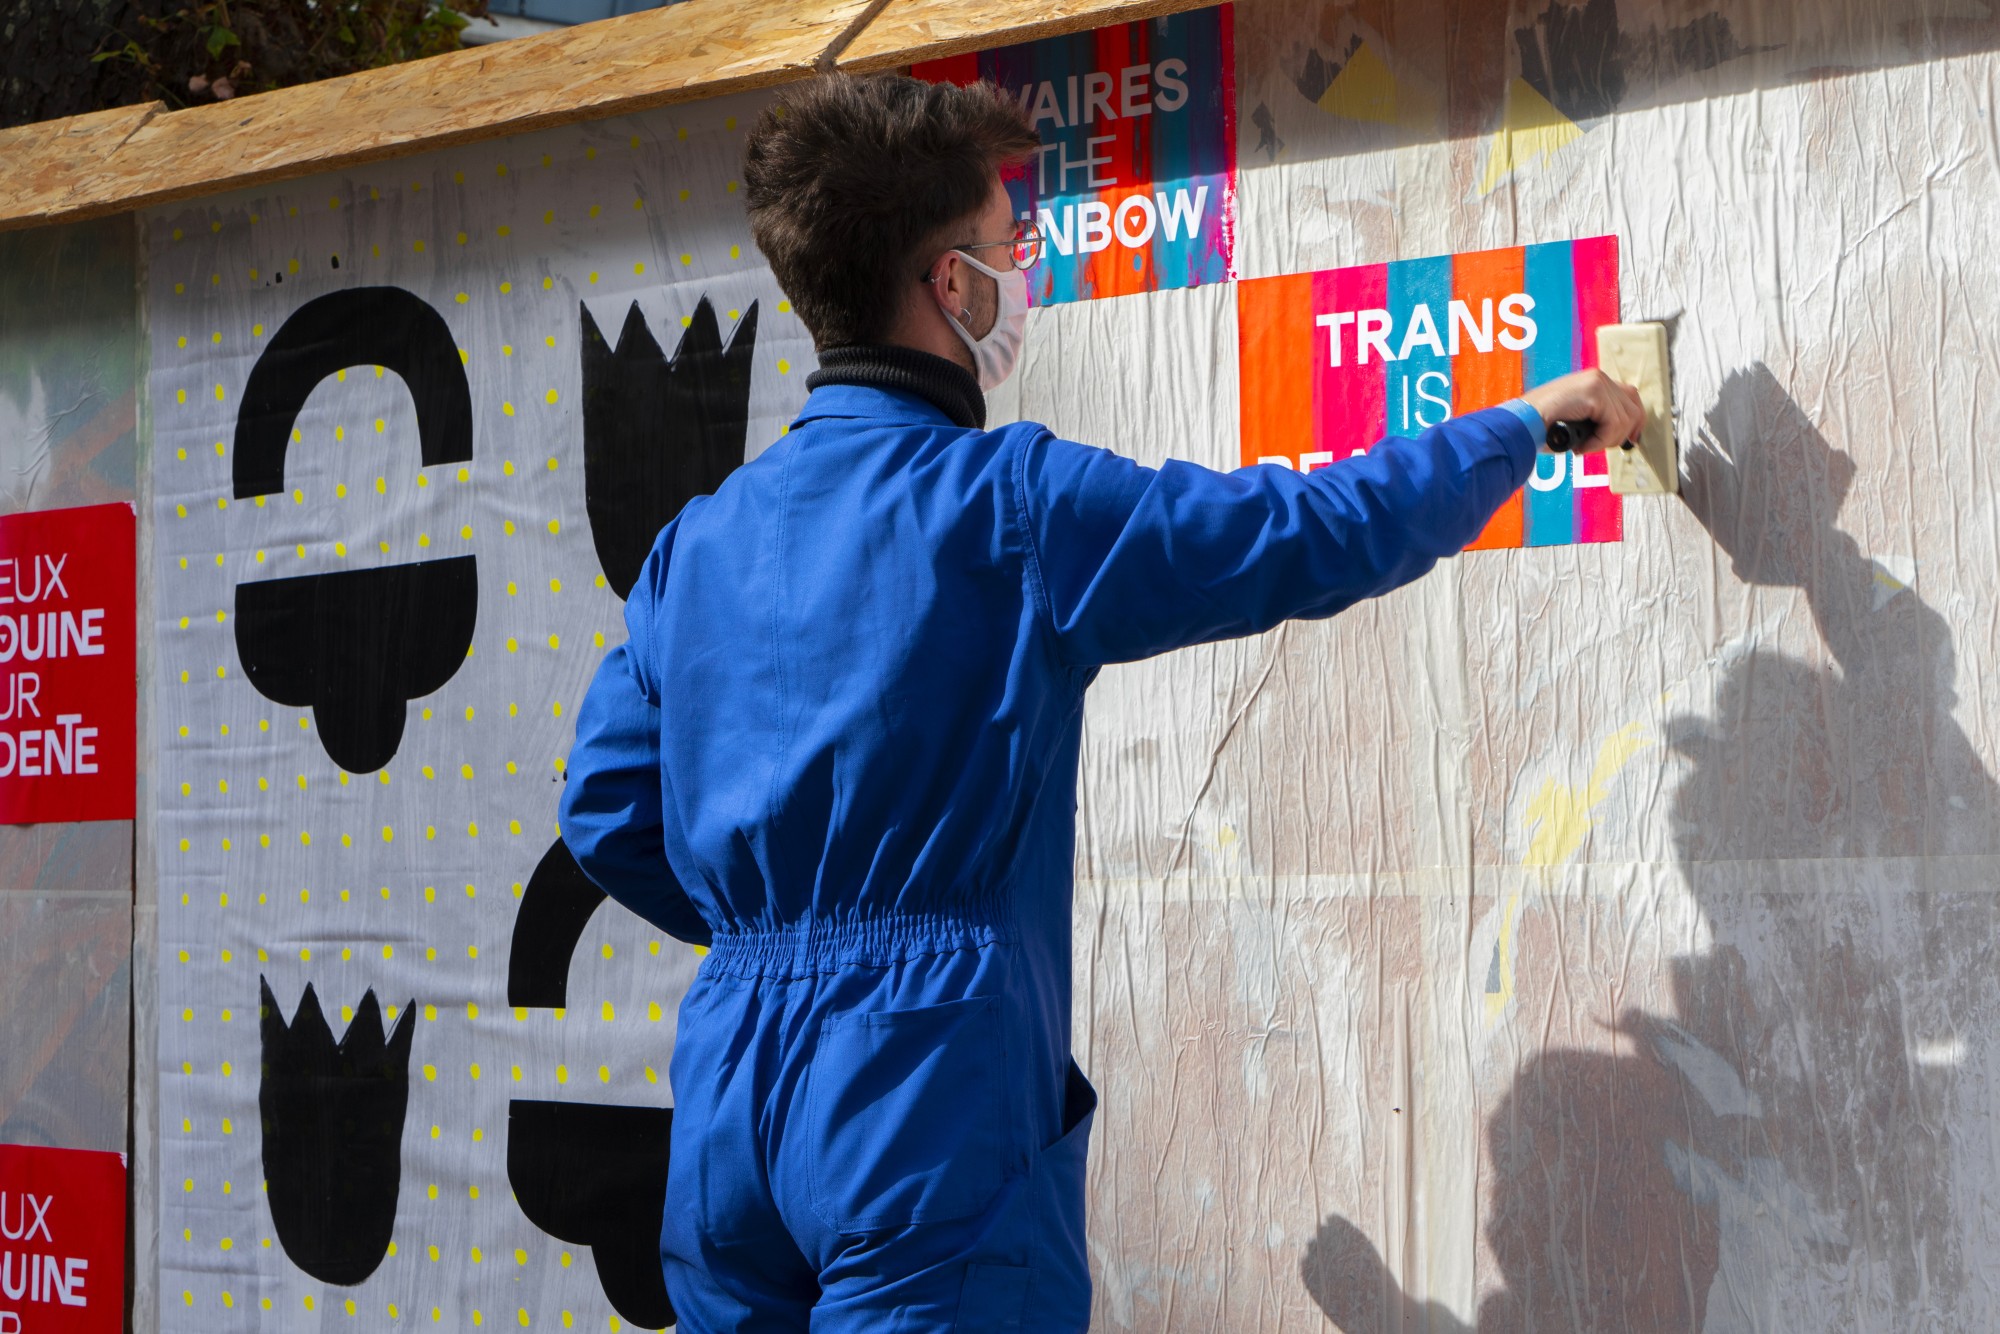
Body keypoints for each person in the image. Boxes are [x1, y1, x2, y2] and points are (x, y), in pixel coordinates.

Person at [558, 72, 1643, 1334]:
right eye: (1006, 243)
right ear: (951, 287)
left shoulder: (695, 545)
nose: (1022, 269)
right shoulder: (1008, 504)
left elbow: (603, 812)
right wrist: (1520, 425)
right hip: (919, 1091)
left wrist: (781, 931)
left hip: (729, 1098)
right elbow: (1303, 532)